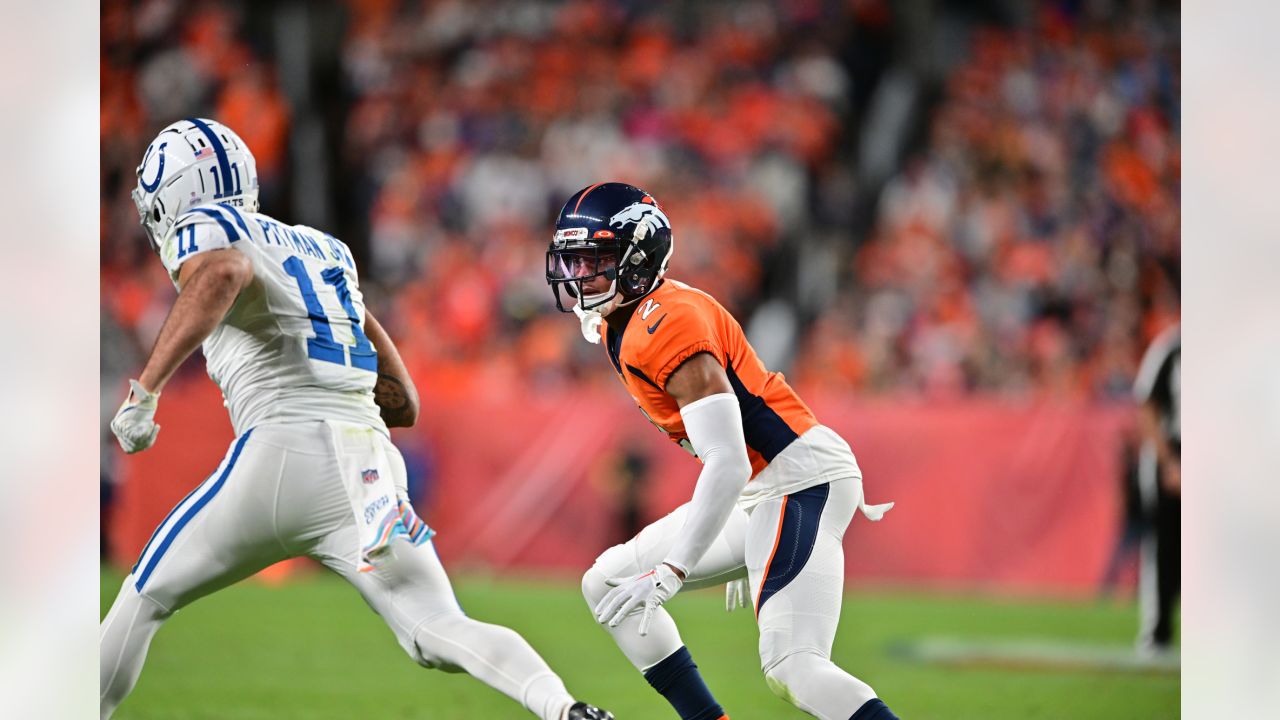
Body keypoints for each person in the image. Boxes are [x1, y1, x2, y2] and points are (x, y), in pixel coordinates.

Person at [100, 118, 613, 720]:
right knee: (435, 627)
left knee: (145, 594)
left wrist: (147, 391)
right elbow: (404, 402)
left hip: (279, 448)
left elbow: (224, 271)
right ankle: (562, 708)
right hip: (365, 462)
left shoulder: (209, 228)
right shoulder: (326, 251)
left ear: (180, 191)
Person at [546, 182, 900, 720]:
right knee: (607, 583)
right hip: (761, 489)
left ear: (638, 258)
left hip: (796, 480)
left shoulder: (665, 323)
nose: (580, 276)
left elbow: (729, 459)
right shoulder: (632, 319)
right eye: (575, 261)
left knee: (793, 666)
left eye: (596, 259)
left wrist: (675, 568)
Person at [1133, 323, 1180, 655]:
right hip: (1174, 454)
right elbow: (1147, 406)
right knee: (1164, 546)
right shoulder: (1171, 347)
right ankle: (1157, 632)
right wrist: (1168, 462)